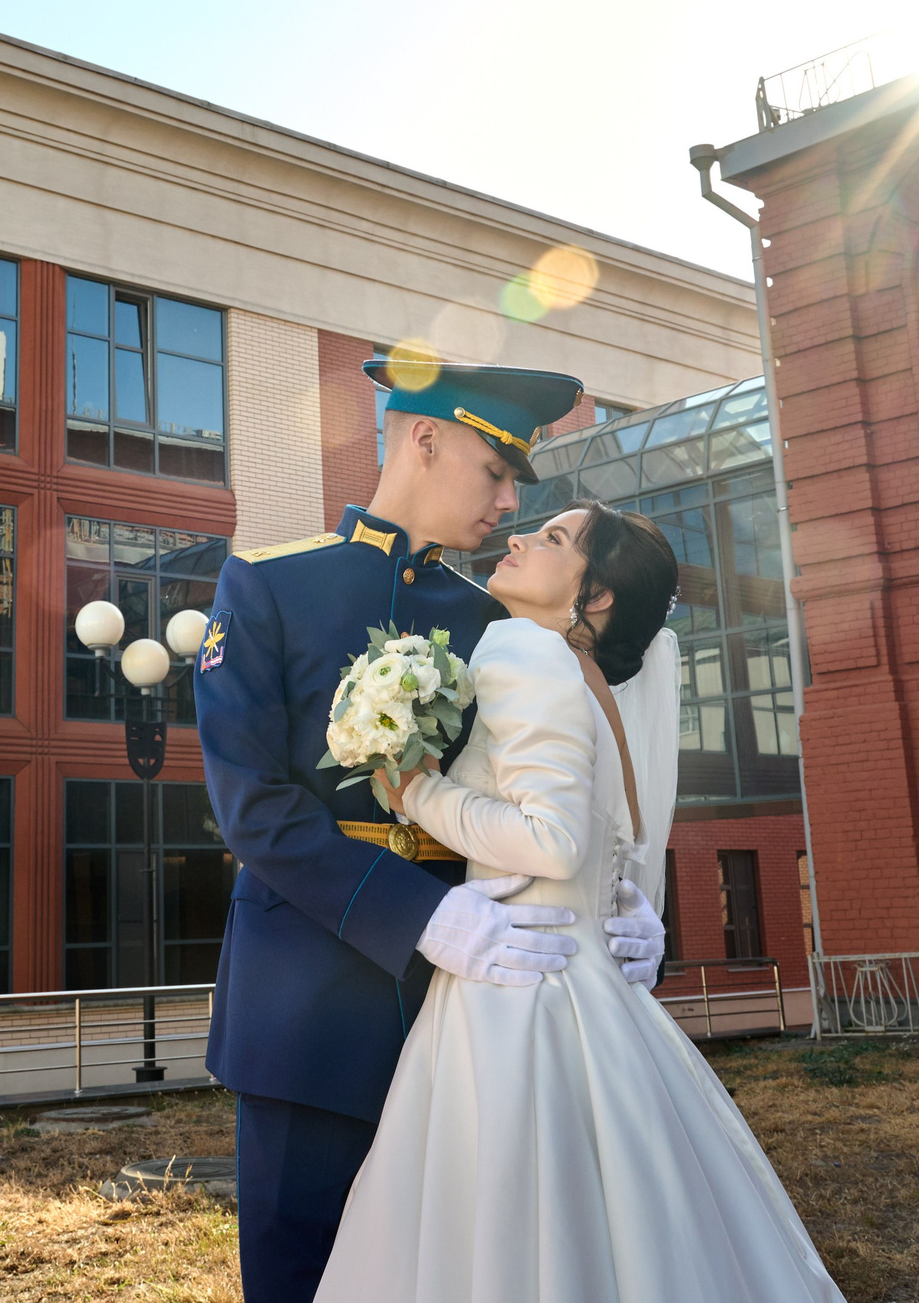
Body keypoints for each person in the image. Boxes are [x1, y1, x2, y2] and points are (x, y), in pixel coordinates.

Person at [197, 359, 672, 1303]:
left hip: (480, 1017)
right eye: (496, 473)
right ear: (425, 438)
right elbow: (254, 806)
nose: (507, 502)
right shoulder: (268, 582)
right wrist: (420, 917)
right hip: (309, 1011)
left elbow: (573, 786)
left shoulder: (498, 618)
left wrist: (631, 905)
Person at [314, 501, 846, 1303]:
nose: (519, 535)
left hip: (520, 995)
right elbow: (611, 845)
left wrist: (417, 791)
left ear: (593, 598)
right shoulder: (590, 679)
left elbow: (552, 839)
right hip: (585, 981)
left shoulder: (522, 648)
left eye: (555, 538)